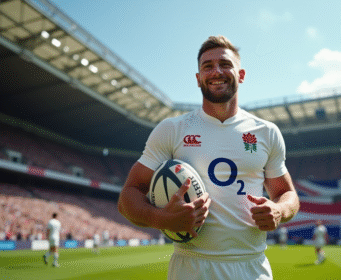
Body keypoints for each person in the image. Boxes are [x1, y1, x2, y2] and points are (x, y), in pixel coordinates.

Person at [118, 35, 300, 280]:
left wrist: (278, 210)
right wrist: (161, 218)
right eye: (207, 66)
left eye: (225, 64)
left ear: (241, 75)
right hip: (191, 267)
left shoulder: (266, 132)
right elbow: (128, 195)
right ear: (198, 78)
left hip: (251, 267)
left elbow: (287, 195)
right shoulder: (173, 129)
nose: (216, 71)